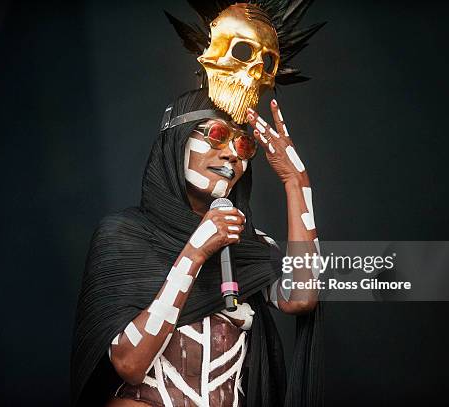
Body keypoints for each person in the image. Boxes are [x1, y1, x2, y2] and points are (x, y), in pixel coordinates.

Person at [72, 2, 325, 406]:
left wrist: (297, 182)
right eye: (216, 134)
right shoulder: (124, 234)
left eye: (243, 145)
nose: (231, 155)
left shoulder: (249, 247)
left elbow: (302, 296)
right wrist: (195, 252)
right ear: (177, 142)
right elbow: (128, 363)